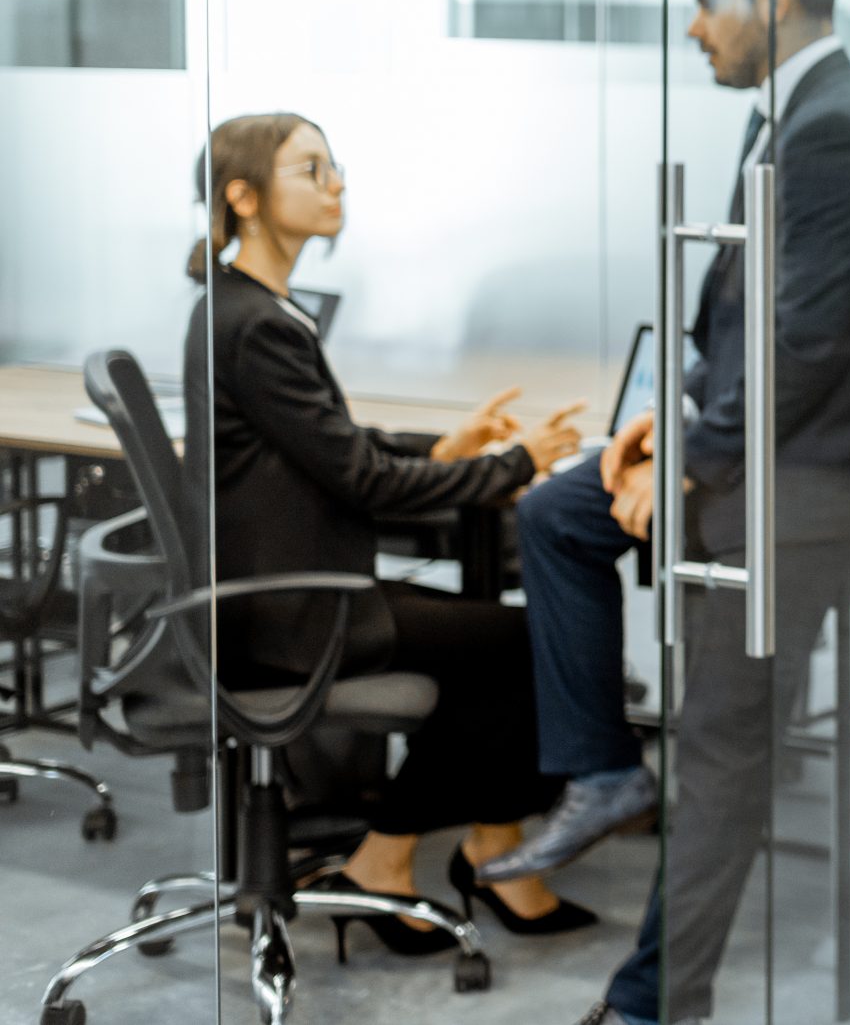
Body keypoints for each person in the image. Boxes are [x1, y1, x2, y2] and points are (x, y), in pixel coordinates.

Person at [486, 0, 850, 1025]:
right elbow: (739, 331)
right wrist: (660, 431)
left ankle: (658, 998)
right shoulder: (788, 119)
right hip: (760, 447)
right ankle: (603, 769)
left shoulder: (838, 130)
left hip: (813, 490)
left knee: (723, 747)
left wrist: (691, 463)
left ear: (775, 1)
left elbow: (801, 342)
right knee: (560, 509)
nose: (692, 23)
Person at [184, 112, 594, 952]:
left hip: (284, 593)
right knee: (525, 643)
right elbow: (360, 480)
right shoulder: (259, 323)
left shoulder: (245, 306)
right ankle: (417, 851)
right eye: (312, 169)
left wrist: (440, 450)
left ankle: (454, 847)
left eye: (337, 167)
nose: (337, 184)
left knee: (500, 647)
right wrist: (516, 462)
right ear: (244, 195)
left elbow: (329, 449)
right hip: (297, 610)